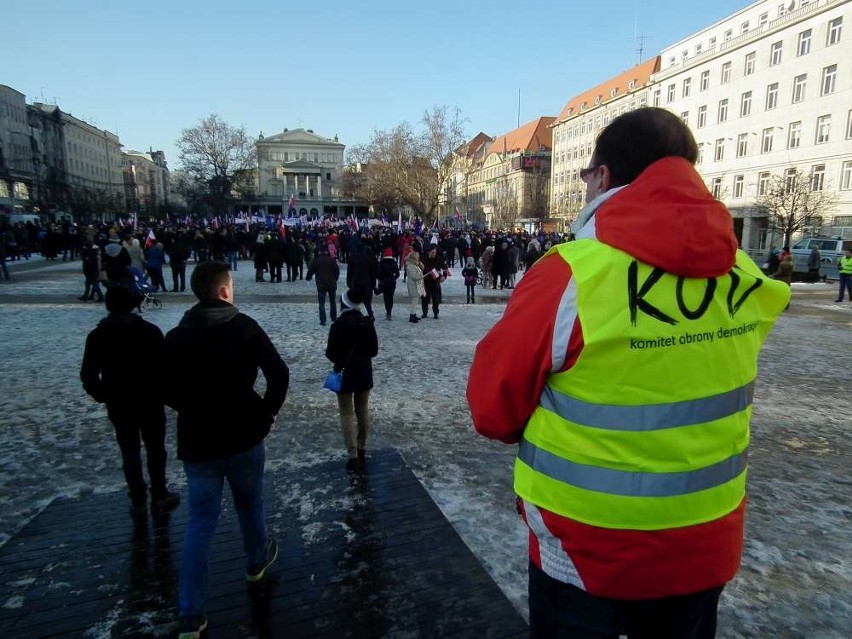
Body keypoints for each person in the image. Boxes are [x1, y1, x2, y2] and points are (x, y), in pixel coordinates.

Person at [467, 107, 790, 639]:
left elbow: (491, 409)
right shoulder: (746, 277)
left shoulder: (570, 276)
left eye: (586, 176)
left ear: (604, 177)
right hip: (704, 542)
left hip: (588, 552)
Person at [162, 261, 290, 639]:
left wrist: (189, 406)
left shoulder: (176, 337)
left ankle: (191, 612)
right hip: (243, 435)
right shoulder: (243, 326)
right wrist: (266, 412)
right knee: (250, 503)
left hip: (198, 441)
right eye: (231, 285)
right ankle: (255, 561)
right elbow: (278, 373)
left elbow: (162, 385)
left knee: (199, 523)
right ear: (223, 291)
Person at [80, 286, 180, 516]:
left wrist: (102, 394)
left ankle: (137, 498)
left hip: (119, 401)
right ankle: (160, 493)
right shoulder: (150, 331)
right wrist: (165, 393)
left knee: (129, 449)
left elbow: (88, 374)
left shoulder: (97, 336)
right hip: (149, 399)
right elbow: (166, 368)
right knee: (156, 448)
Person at [325, 288, 379, 472]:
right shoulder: (367, 323)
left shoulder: (338, 325)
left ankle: (352, 454)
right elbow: (374, 351)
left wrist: (340, 360)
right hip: (364, 371)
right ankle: (362, 446)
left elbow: (330, 353)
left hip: (344, 372)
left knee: (346, 412)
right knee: (362, 409)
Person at [306, 245, 341, 326]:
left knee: (321, 303)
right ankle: (334, 317)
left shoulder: (316, 261)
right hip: (332, 284)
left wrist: (308, 278)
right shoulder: (332, 261)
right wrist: (335, 279)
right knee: (333, 302)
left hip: (321, 284)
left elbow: (311, 271)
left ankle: (323, 320)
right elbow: (337, 271)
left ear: (319, 252)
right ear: (327, 252)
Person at [421, 244, 447, 319]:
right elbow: (420, 269)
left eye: (435, 253)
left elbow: (445, 269)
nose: (434, 254)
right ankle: (425, 312)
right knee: (425, 298)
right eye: (432, 253)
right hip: (426, 282)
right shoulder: (424, 259)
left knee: (436, 299)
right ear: (429, 252)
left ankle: (436, 313)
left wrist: (443, 277)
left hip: (435, 282)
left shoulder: (439, 259)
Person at [375, 247, 400, 320]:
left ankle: (387, 310)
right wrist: (393, 278)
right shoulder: (394, 263)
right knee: (391, 297)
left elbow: (378, 274)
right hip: (392, 283)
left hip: (384, 283)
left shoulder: (381, 263)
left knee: (386, 298)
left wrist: (381, 279)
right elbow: (397, 274)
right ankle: (389, 311)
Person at [405, 249, 425, 323]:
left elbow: (423, 268)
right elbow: (414, 276)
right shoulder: (410, 266)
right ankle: (412, 315)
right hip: (413, 286)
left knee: (416, 302)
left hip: (416, 286)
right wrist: (422, 276)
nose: (419, 258)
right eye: (418, 257)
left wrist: (419, 263)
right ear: (414, 257)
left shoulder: (415, 265)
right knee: (414, 302)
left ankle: (413, 314)